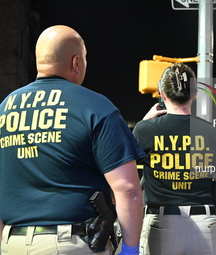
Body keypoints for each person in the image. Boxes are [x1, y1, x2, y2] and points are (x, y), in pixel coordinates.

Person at [0, 25, 145, 255]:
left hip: (12, 242)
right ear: (76, 62)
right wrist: (130, 249)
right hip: (71, 243)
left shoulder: (4, 109)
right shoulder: (96, 107)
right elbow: (128, 189)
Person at [133, 63, 216, 255]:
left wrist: (144, 122)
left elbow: (126, 174)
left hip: (161, 223)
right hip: (204, 224)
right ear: (195, 94)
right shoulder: (213, 133)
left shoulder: (144, 130)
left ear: (162, 94)